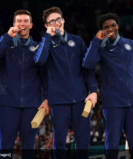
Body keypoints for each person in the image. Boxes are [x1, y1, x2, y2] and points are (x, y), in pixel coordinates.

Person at [82, 13, 133, 159]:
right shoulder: (100, 48)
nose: (110, 28)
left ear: (118, 26)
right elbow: (87, 65)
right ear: (101, 30)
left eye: (113, 25)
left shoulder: (131, 44)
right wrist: (96, 40)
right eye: (106, 27)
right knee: (112, 146)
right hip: (113, 103)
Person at [34, 7, 97, 159]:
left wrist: (93, 91)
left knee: (83, 142)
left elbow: (87, 68)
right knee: (59, 143)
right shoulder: (45, 44)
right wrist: (47, 37)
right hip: (59, 101)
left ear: (63, 20)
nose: (56, 23)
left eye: (58, 19)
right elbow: (40, 61)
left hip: (80, 99)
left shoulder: (77, 41)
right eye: (52, 21)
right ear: (46, 26)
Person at [0, 10, 48, 159]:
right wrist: (7, 36)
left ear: (31, 25)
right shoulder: (6, 45)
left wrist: (46, 99)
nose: (22, 24)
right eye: (19, 21)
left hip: (32, 104)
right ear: (14, 24)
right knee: (5, 149)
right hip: (8, 104)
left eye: (25, 21)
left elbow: (46, 76)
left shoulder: (39, 48)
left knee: (28, 150)